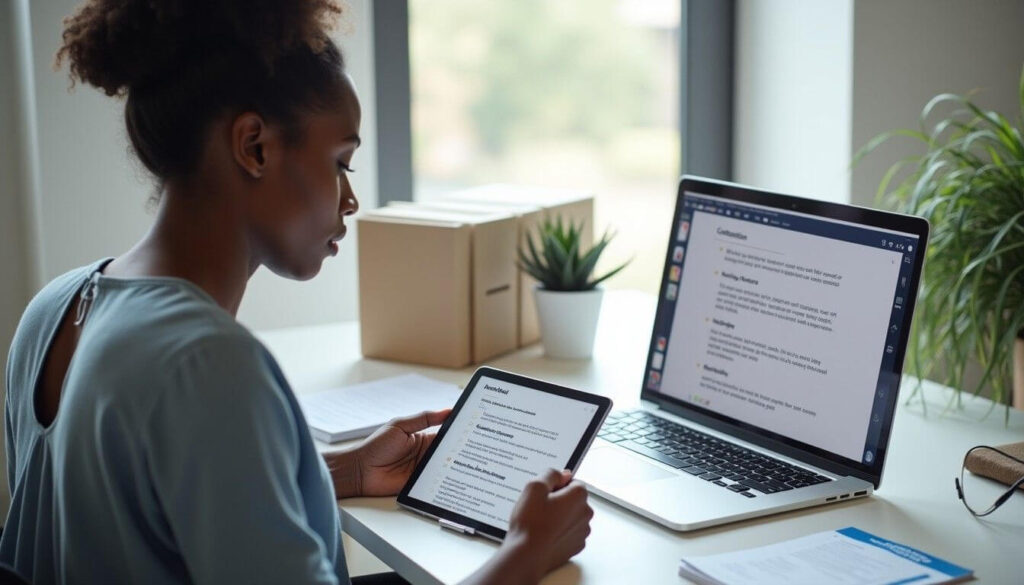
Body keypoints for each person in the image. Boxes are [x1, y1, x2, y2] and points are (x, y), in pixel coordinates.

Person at [0, 1, 593, 583]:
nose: (350, 200)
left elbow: (142, 501)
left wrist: (344, 470)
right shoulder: (209, 364)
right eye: (342, 163)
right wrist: (525, 552)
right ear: (254, 146)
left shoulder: (55, 307)